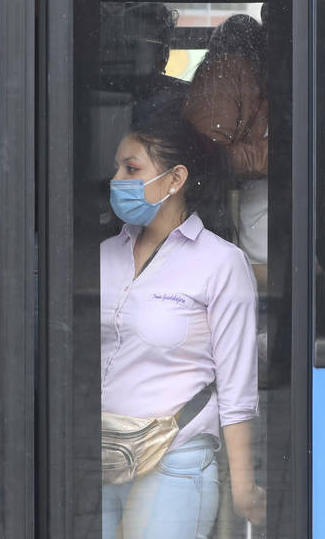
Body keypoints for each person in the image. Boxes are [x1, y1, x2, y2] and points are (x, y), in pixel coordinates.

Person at [100, 113, 264, 539]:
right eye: (117, 167)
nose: (117, 179)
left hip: (176, 460)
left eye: (131, 169)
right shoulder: (102, 255)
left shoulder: (221, 263)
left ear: (176, 179)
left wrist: (243, 487)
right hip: (100, 455)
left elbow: (237, 391)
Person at [183, 14, 269, 267]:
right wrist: (278, 155)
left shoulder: (234, 73)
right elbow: (210, 153)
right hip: (219, 198)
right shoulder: (228, 72)